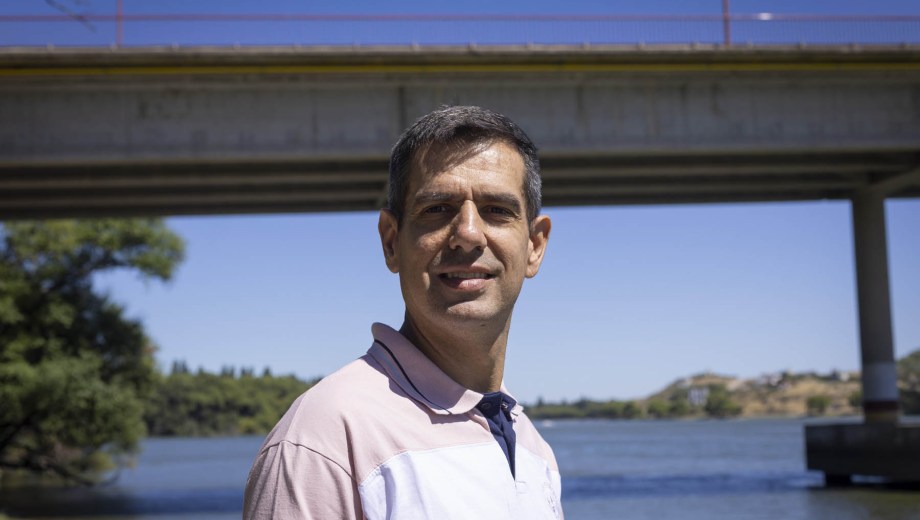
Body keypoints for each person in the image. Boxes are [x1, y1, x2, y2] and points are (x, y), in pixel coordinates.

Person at [243, 105, 563, 519]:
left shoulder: (532, 447)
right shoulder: (326, 440)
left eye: (497, 210)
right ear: (391, 242)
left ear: (535, 246)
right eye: (437, 209)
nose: (467, 234)